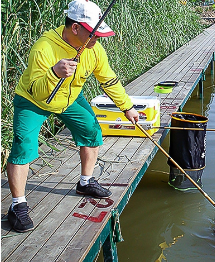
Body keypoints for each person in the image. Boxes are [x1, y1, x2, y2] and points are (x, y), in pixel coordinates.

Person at [6, 0, 139, 233]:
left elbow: (108, 80)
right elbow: (38, 90)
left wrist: (126, 107)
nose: (97, 40)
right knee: (23, 146)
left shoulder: (93, 49)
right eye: (94, 34)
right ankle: (18, 205)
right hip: (34, 99)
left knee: (91, 131)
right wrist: (54, 73)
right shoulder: (44, 48)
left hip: (70, 99)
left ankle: (85, 182)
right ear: (76, 28)